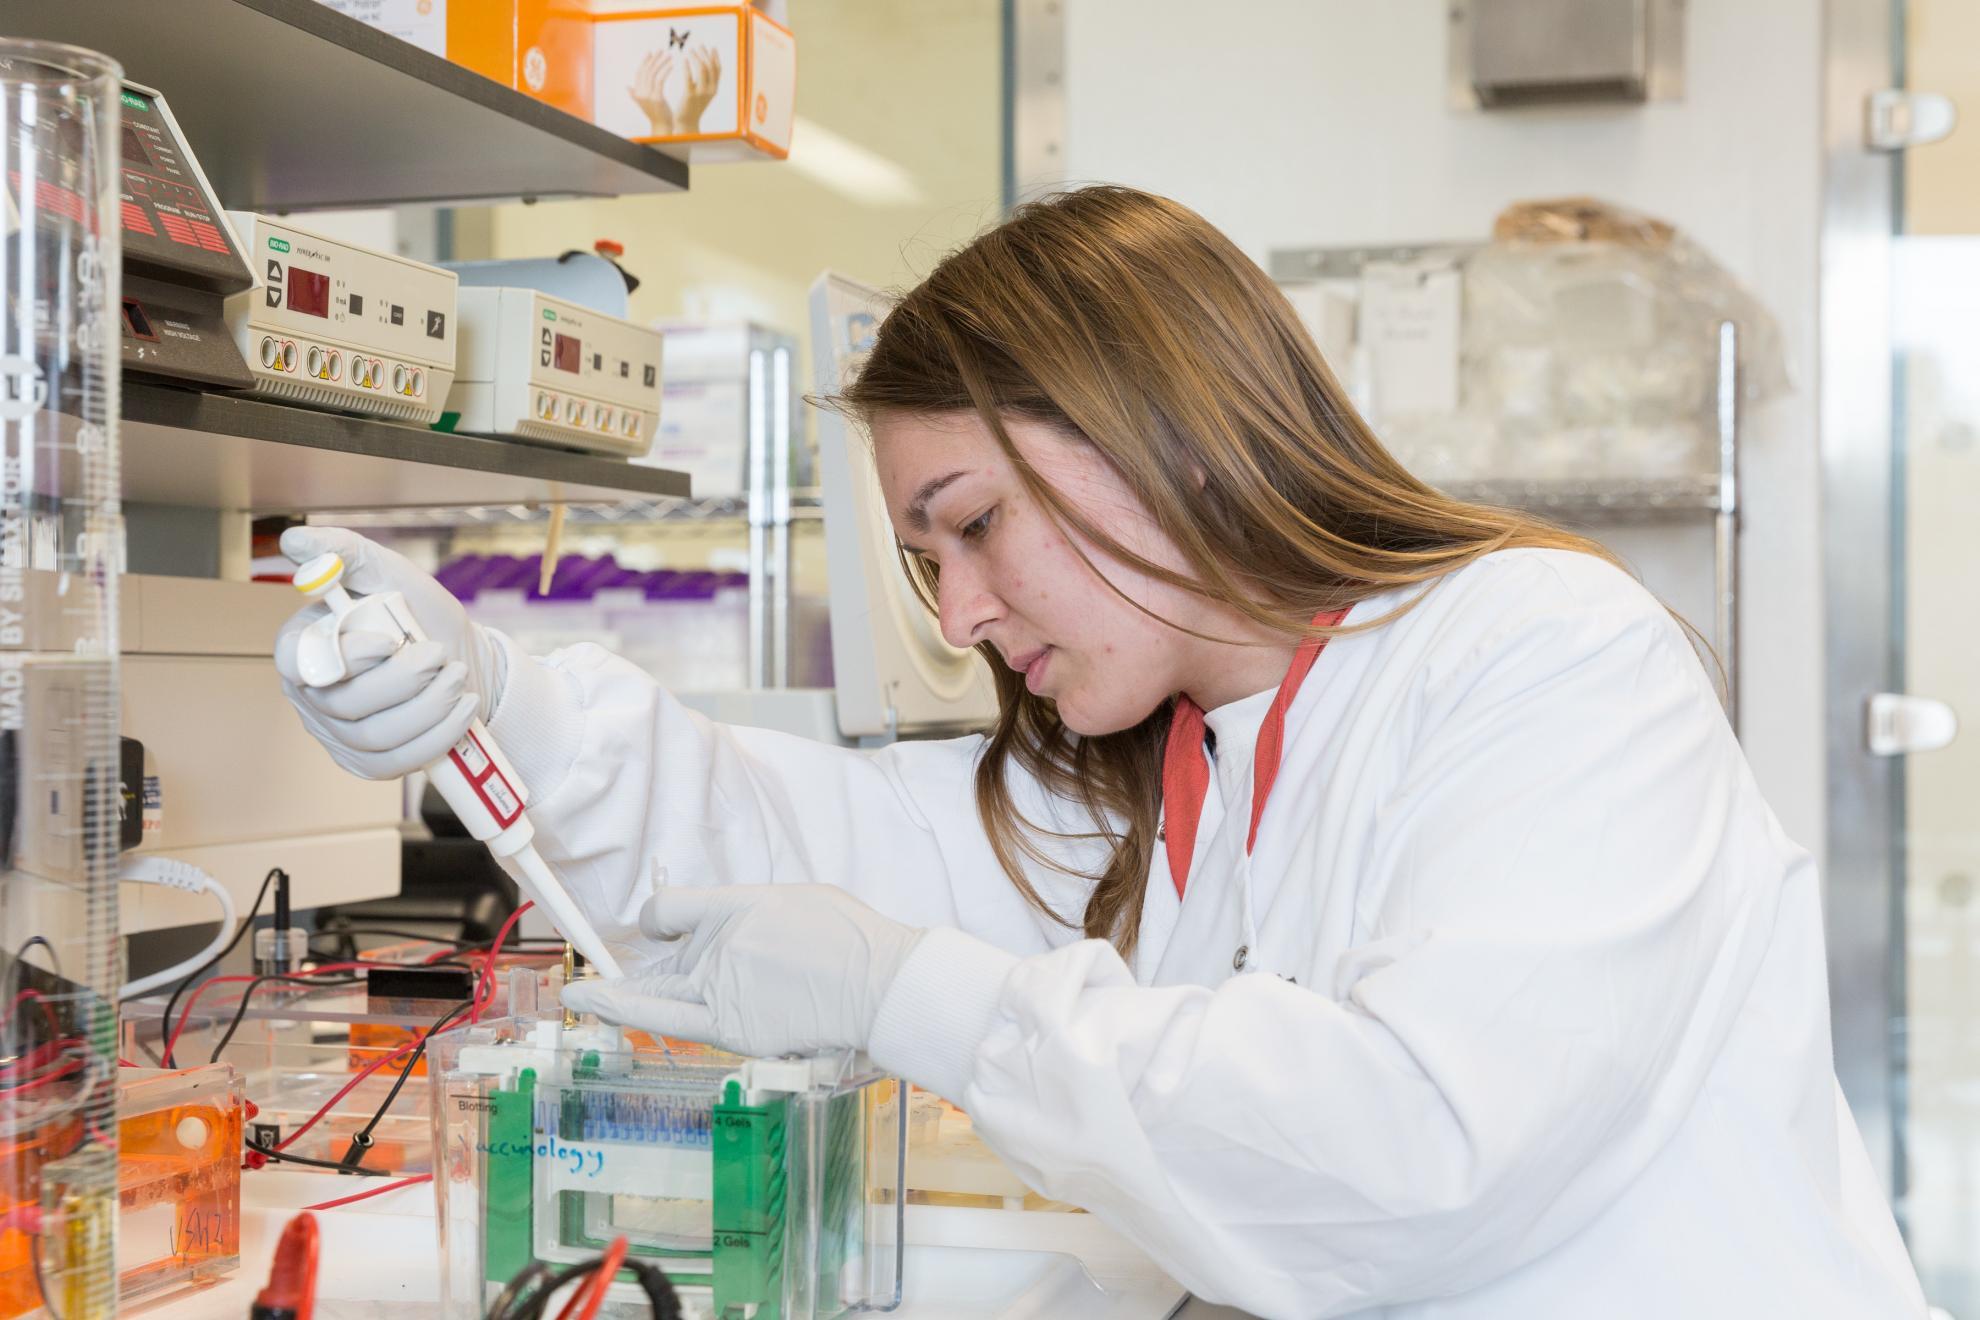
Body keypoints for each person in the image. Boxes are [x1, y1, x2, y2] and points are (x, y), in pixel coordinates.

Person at [275, 187, 1925, 1319]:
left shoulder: (1540, 657)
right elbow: (795, 846)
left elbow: (1424, 1148)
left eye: (976, 526)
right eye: (928, 566)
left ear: (1161, 421)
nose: (967, 611)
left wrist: (915, 996)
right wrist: (490, 693)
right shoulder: (1173, 761)